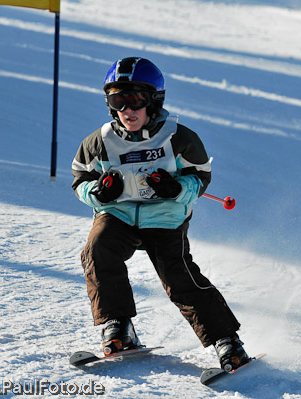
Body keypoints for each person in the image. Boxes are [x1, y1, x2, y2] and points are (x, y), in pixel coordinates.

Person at [71, 57, 250, 371]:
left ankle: (227, 341)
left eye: (135, 99)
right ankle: (118, 327)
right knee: (97, 251)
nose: (127, 110)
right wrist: (99, 191)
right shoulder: (99, 142)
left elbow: (200, 176)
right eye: (118, 100)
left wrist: (176, 189)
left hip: (165, 216)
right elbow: (80, 179)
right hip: (119, 214)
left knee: (178, 275)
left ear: (154, 100)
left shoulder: (179, 138)